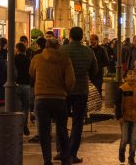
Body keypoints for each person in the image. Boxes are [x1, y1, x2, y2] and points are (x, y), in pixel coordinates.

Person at [30, 37, 75, 165]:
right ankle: (65, 159)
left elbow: (31, 73)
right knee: (62, 130)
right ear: (58, 46)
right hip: (59, 99)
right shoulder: (65, 60)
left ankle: (47, 160)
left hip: (41, 99)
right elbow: (70, 81)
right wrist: (66, 91)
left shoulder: (37, 58)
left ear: (45, 46)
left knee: (44, 132)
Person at [59, 26, 98, 164]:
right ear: (82, 37)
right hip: (81, 90)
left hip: (64, 90)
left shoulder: (62, 50)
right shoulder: (88, 51)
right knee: (77, 123)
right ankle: (72, 153)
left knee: (61, 121)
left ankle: (62, 151)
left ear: (70, 36)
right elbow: (95, 70)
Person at [115, 68, 136, 165]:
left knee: (134, 139)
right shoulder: (122, 89)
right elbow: (118, 103)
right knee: (125, 139)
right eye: (130, 74)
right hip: (125, 118)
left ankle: (131, 157)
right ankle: (121, 151)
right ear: (125, 77)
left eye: (134, 74)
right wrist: (119, 116)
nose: (132, 76)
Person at [15, 42, 33, 136]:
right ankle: (24, 124)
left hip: (16, 85)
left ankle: (18, 125)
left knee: (17, 107)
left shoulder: (14, 60)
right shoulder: (28, 60)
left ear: (17, 49)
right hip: (26, 85)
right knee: (26, 107)